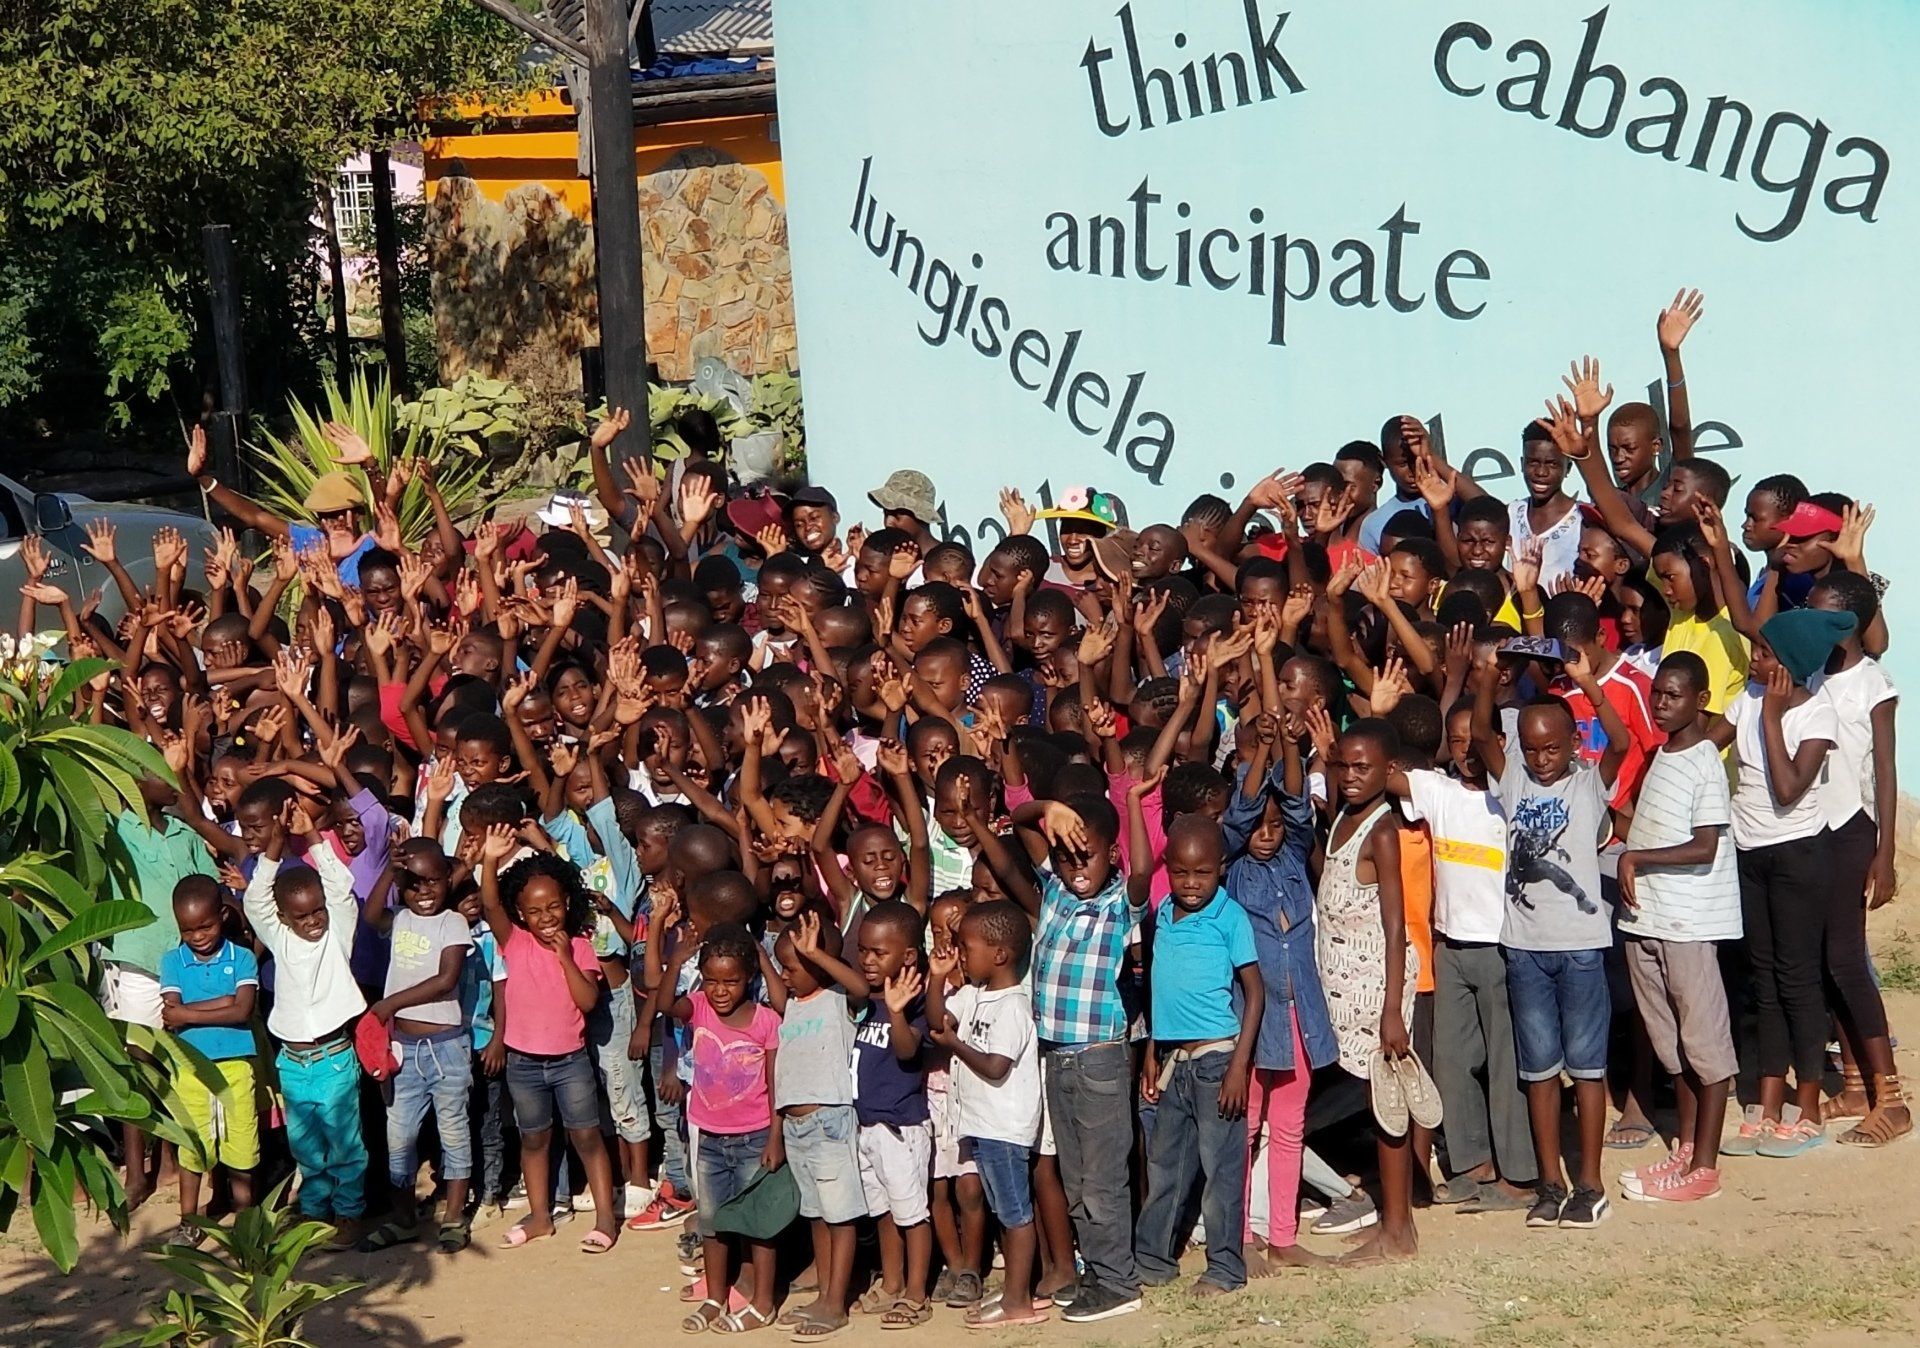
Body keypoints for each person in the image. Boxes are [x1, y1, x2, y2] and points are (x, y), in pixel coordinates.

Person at [1472, 640, 1629, 1231]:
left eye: (1552, 748)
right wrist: (1487, 678)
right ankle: (1549, 1184)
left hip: (1582, 946)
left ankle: (1589, 1184)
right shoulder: (1512, 780)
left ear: (1571, 747)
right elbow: (1485, 736)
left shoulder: (1587, 784)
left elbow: (1620, 742)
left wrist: (1588, 684)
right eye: (1532, 749)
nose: (1541, 759)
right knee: (1538, 1071)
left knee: (1587, 1070)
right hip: (1526, 950)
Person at [1714, 612, 1847, 1160]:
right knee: (1764, 981)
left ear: (1789, 667)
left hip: (1798, 856)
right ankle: (1768, 1103)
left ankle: (1808, 1108)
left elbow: (1790, 787)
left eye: (1765, 655)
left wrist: (1770, 717)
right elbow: (1706, 739)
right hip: (1751, 854)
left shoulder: (1816, 714)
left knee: (1798, 982)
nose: (1755, 661)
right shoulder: (1746, 698)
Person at [1615, 652, 1740, 1202]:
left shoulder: (1704, 761)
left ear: (1701, 701)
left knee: (1705, 1048)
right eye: (1657, 695)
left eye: (1672, 696)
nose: (1660, 704)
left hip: (1689, 921)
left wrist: (1635, 860)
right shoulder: (1661, 755)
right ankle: (1685, 1152)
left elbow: (1704, 845)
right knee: (1674, 1048)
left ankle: (1704, 1170)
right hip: (1649, 918)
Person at [1219, 711, 1339, 1267]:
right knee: (1244, 1131)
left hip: (1301, 1014)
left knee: (1289, 1126)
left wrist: (1291, 747)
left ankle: (1284, 1236)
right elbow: (1242, 817)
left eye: (1274, 827)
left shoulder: (1294, 855)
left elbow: (1295, 807)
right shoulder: (1234, 867)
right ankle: (1241, 1238)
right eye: (1258, 828)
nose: (1266, 835)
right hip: (1252, 1018)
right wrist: (1263, 752)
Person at [1131, 812, 1263, 1294]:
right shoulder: (1164, 912)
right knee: (1166, 1166)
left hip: (1215, 1062)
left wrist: (1238, 1066)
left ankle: (1225, 1267)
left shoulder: (1230, 917)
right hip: (1172, 1063)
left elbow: (1255, 992)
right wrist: (1152, 1047)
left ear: (1221, 868)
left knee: (1221, 1171)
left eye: (1202, 873)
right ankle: (1152, 1260)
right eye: (1181, 872)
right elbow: (1161, 988)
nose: (1190, 884)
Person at [475, 828, 621, 1253]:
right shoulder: (513, 941)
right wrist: (488, 860)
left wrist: (564, 956)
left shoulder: (580, 946)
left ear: (568, 903)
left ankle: (606, 1219)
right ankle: (541, 1217)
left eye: (554, 906)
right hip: (523, 1063)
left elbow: (589, 1000)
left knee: (586, 1137)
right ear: (520, 914)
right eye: (535, 911)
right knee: (534, 1139)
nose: (546, 917)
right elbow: (489, 903)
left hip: (569, 1062)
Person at [1805, 572, 1909, 1146]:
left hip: (1854, 829)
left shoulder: (1873, 683)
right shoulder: (1812, 677)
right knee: (1824, 961)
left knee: (1846, 959)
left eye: (1821, 616)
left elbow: (1886, 773)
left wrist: (1884, 853)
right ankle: (1852, 1083)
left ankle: (1890, 1098)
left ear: (1845, 623)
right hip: (1811, 832)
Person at [242, 798, 370, 1249]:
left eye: (317, 911)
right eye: (302, 916)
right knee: (306, 1146)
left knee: (345, 1144)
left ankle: (350, 1213)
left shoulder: (338, 932)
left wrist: (312, 836)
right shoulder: (278, 937)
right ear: (282, 918)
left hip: (335, 1058)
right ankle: (315, 1213)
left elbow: (340, 886)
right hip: (293, 1063)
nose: (314, 921)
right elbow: (256, 897)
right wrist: (274, 848)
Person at [925, 901, 1043, 1329]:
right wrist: (937, 981)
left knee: (1015, 1215)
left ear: (999, 955)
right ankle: (1013, 1293)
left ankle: (1018, 1301)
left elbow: (995, 1067)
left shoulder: (1013, 1006)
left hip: (1005, 1128)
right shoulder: (974, 994)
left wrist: (955, 1045)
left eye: (966, 946)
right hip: (982, 1127)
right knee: (1004, 1211)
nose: (959, 954)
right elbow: (938, 1022)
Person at [360, 838, 474, 1252]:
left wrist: (388, 1003)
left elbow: (446, 980)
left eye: (432, 882)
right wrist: (389, 871)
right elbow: (371, 914)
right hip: (402, 1049)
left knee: (453, 1132)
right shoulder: (400, 918)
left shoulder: (453, 924)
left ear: (448, 880)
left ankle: (455, 1217)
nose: (423, 892)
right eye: (412, 884)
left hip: (446, 1048)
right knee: (399, 1136)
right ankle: (404, 1219)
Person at [771, 911, 870, 1338]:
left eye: (792, 968)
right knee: (816, 1214)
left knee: (839, 1216)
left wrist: (816, 954)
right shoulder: (791, 1005)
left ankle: (836, 1302)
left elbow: (861, 987)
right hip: (796, 1129)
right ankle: (824, 1292)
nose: (785, 976)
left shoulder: (836, 1000)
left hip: (829, 1121)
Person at [157, 875, 259, 1246]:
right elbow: (171, 1013)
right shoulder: (172, 961)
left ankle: (247, 1222)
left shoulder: (242, 956)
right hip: (191, 1068)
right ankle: (189, 1220)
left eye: (206, 926)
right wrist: (223, 1004)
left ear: (223, 915)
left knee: (242, 1144)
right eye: (188, 930)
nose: (198, 936)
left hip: (236, 1065)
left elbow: (244, 1009)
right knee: (193, 1144)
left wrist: (189, 1013)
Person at [850, 902, 936, 1327]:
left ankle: (917, 1293)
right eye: (863, 950)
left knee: (910, 1213)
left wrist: (898, 1011)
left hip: (901, 1127)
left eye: (878, 952)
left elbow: (907, 1052)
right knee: (882, 1211)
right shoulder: (870, 998)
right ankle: (892, 1282)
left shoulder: (915, 999)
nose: (867, 960)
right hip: (867, 1127)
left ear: (907, 956)